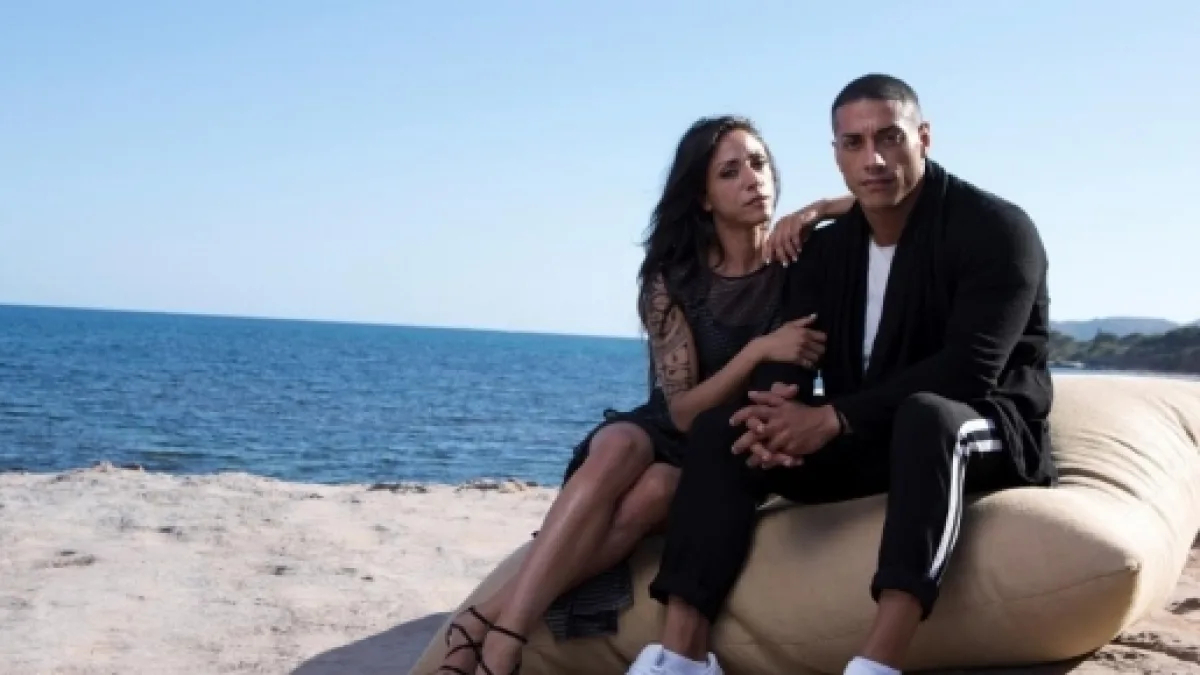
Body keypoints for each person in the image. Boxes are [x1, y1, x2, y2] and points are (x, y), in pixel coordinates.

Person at [625, 73, 1056, 675]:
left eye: (889, 137)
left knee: (927, 417)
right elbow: (792, 359)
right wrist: (774, 418)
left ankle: (877, 662)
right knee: (727, 428)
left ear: (923, 138)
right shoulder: (828, 251)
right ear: (836, 155)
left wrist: (832, 417)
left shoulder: (994, 229)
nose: (872, 158)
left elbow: (970, 370)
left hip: (983, 430)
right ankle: (680, 656)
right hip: (866, 435)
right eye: (853, 143)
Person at [435, 115, 850, 675]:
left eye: (758, 163)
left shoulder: (800, 259)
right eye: (730, 172)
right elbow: (681, 412)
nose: (753, 179)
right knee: (618, 446)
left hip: (719, 451)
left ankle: (481, 621)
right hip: (670, 425)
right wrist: (757, 351)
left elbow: (890, 197)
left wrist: (819, 208)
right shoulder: (673, 280)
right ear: (703, 198)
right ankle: (506, 640)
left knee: (657, 488)